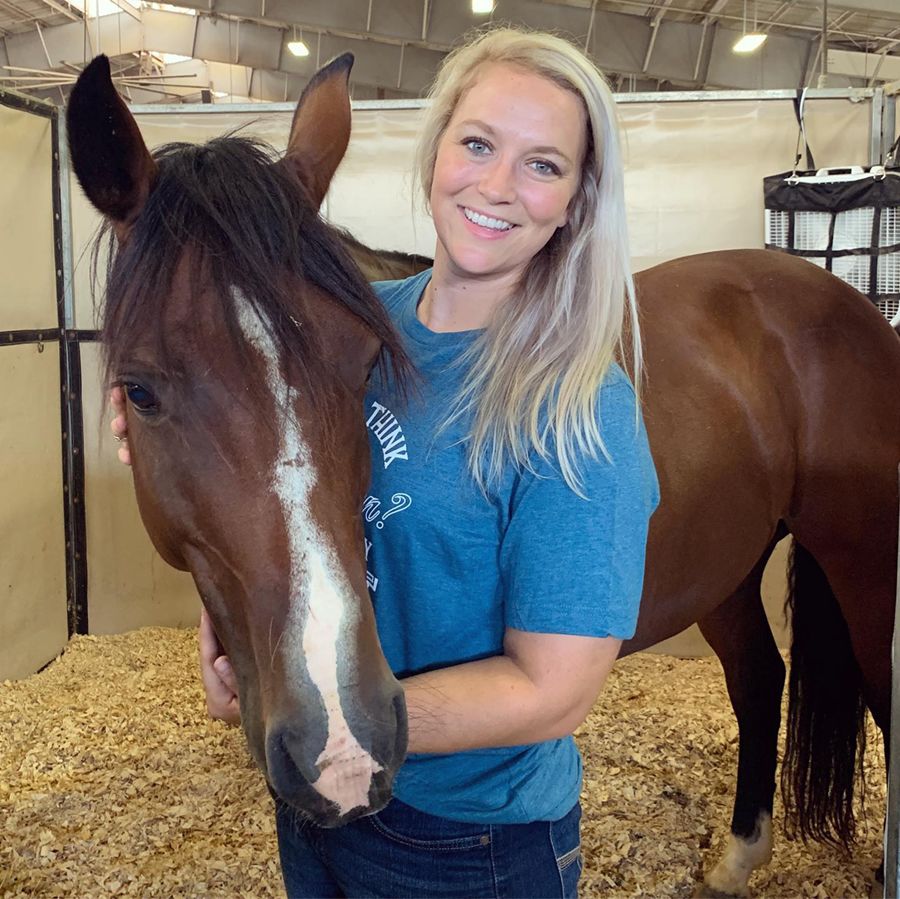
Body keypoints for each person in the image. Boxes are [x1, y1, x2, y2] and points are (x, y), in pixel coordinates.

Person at [111, 26, 659, 899]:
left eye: (542, 165)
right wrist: (150, 416)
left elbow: (555, 692)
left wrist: (331, 721)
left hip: (473, 842)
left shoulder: (580, 408)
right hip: (314, 811)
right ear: (434, 149)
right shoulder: (337, 330)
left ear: (578, 201)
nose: (495, 186)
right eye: (477, 144)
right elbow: (254, 455)